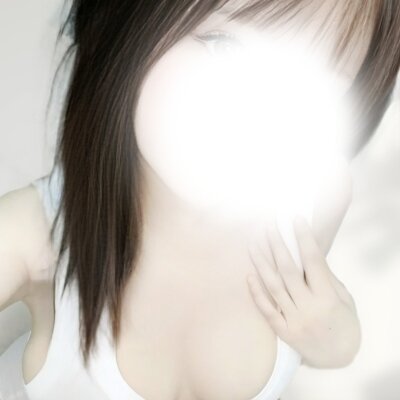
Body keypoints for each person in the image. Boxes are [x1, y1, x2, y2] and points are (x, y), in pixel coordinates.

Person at [0, 1, 399, 399]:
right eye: (223, 44)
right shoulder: (33, 235)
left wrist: (340, 340)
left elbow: (311, 317)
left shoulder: (318, 192)